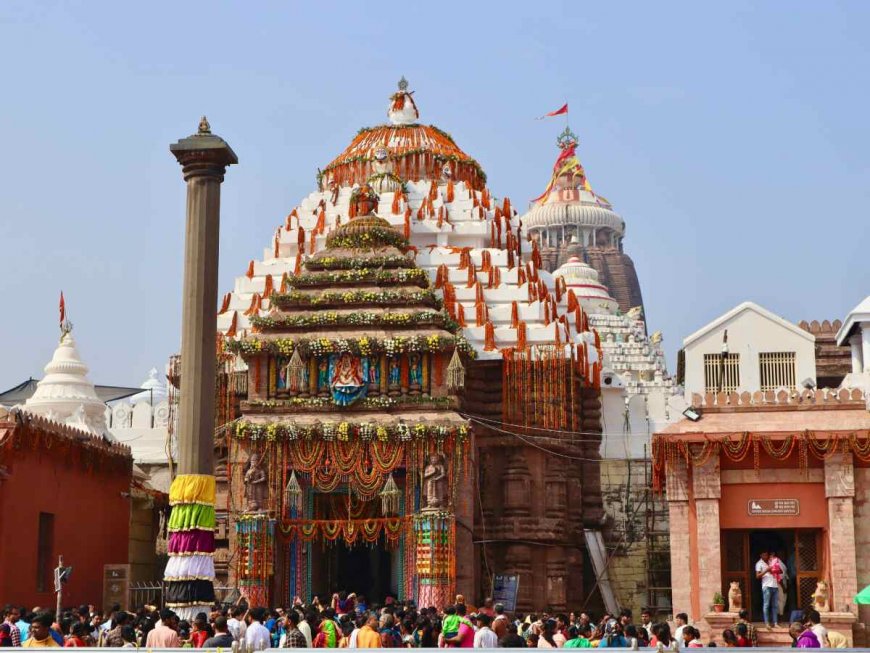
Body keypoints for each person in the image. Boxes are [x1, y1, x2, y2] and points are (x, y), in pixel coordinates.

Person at [755, 552, 779, 629]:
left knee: (775, 605)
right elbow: (757, 576)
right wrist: (766, 570)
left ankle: (775, 623)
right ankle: (767, 623)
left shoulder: (772, 561)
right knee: (766, 605)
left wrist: (774, 570)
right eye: (764, 555)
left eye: (767, 554)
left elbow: (780, 571)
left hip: (775, 585)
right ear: (761, 555)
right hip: (766, 586)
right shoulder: (759, 563)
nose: (766, 556)